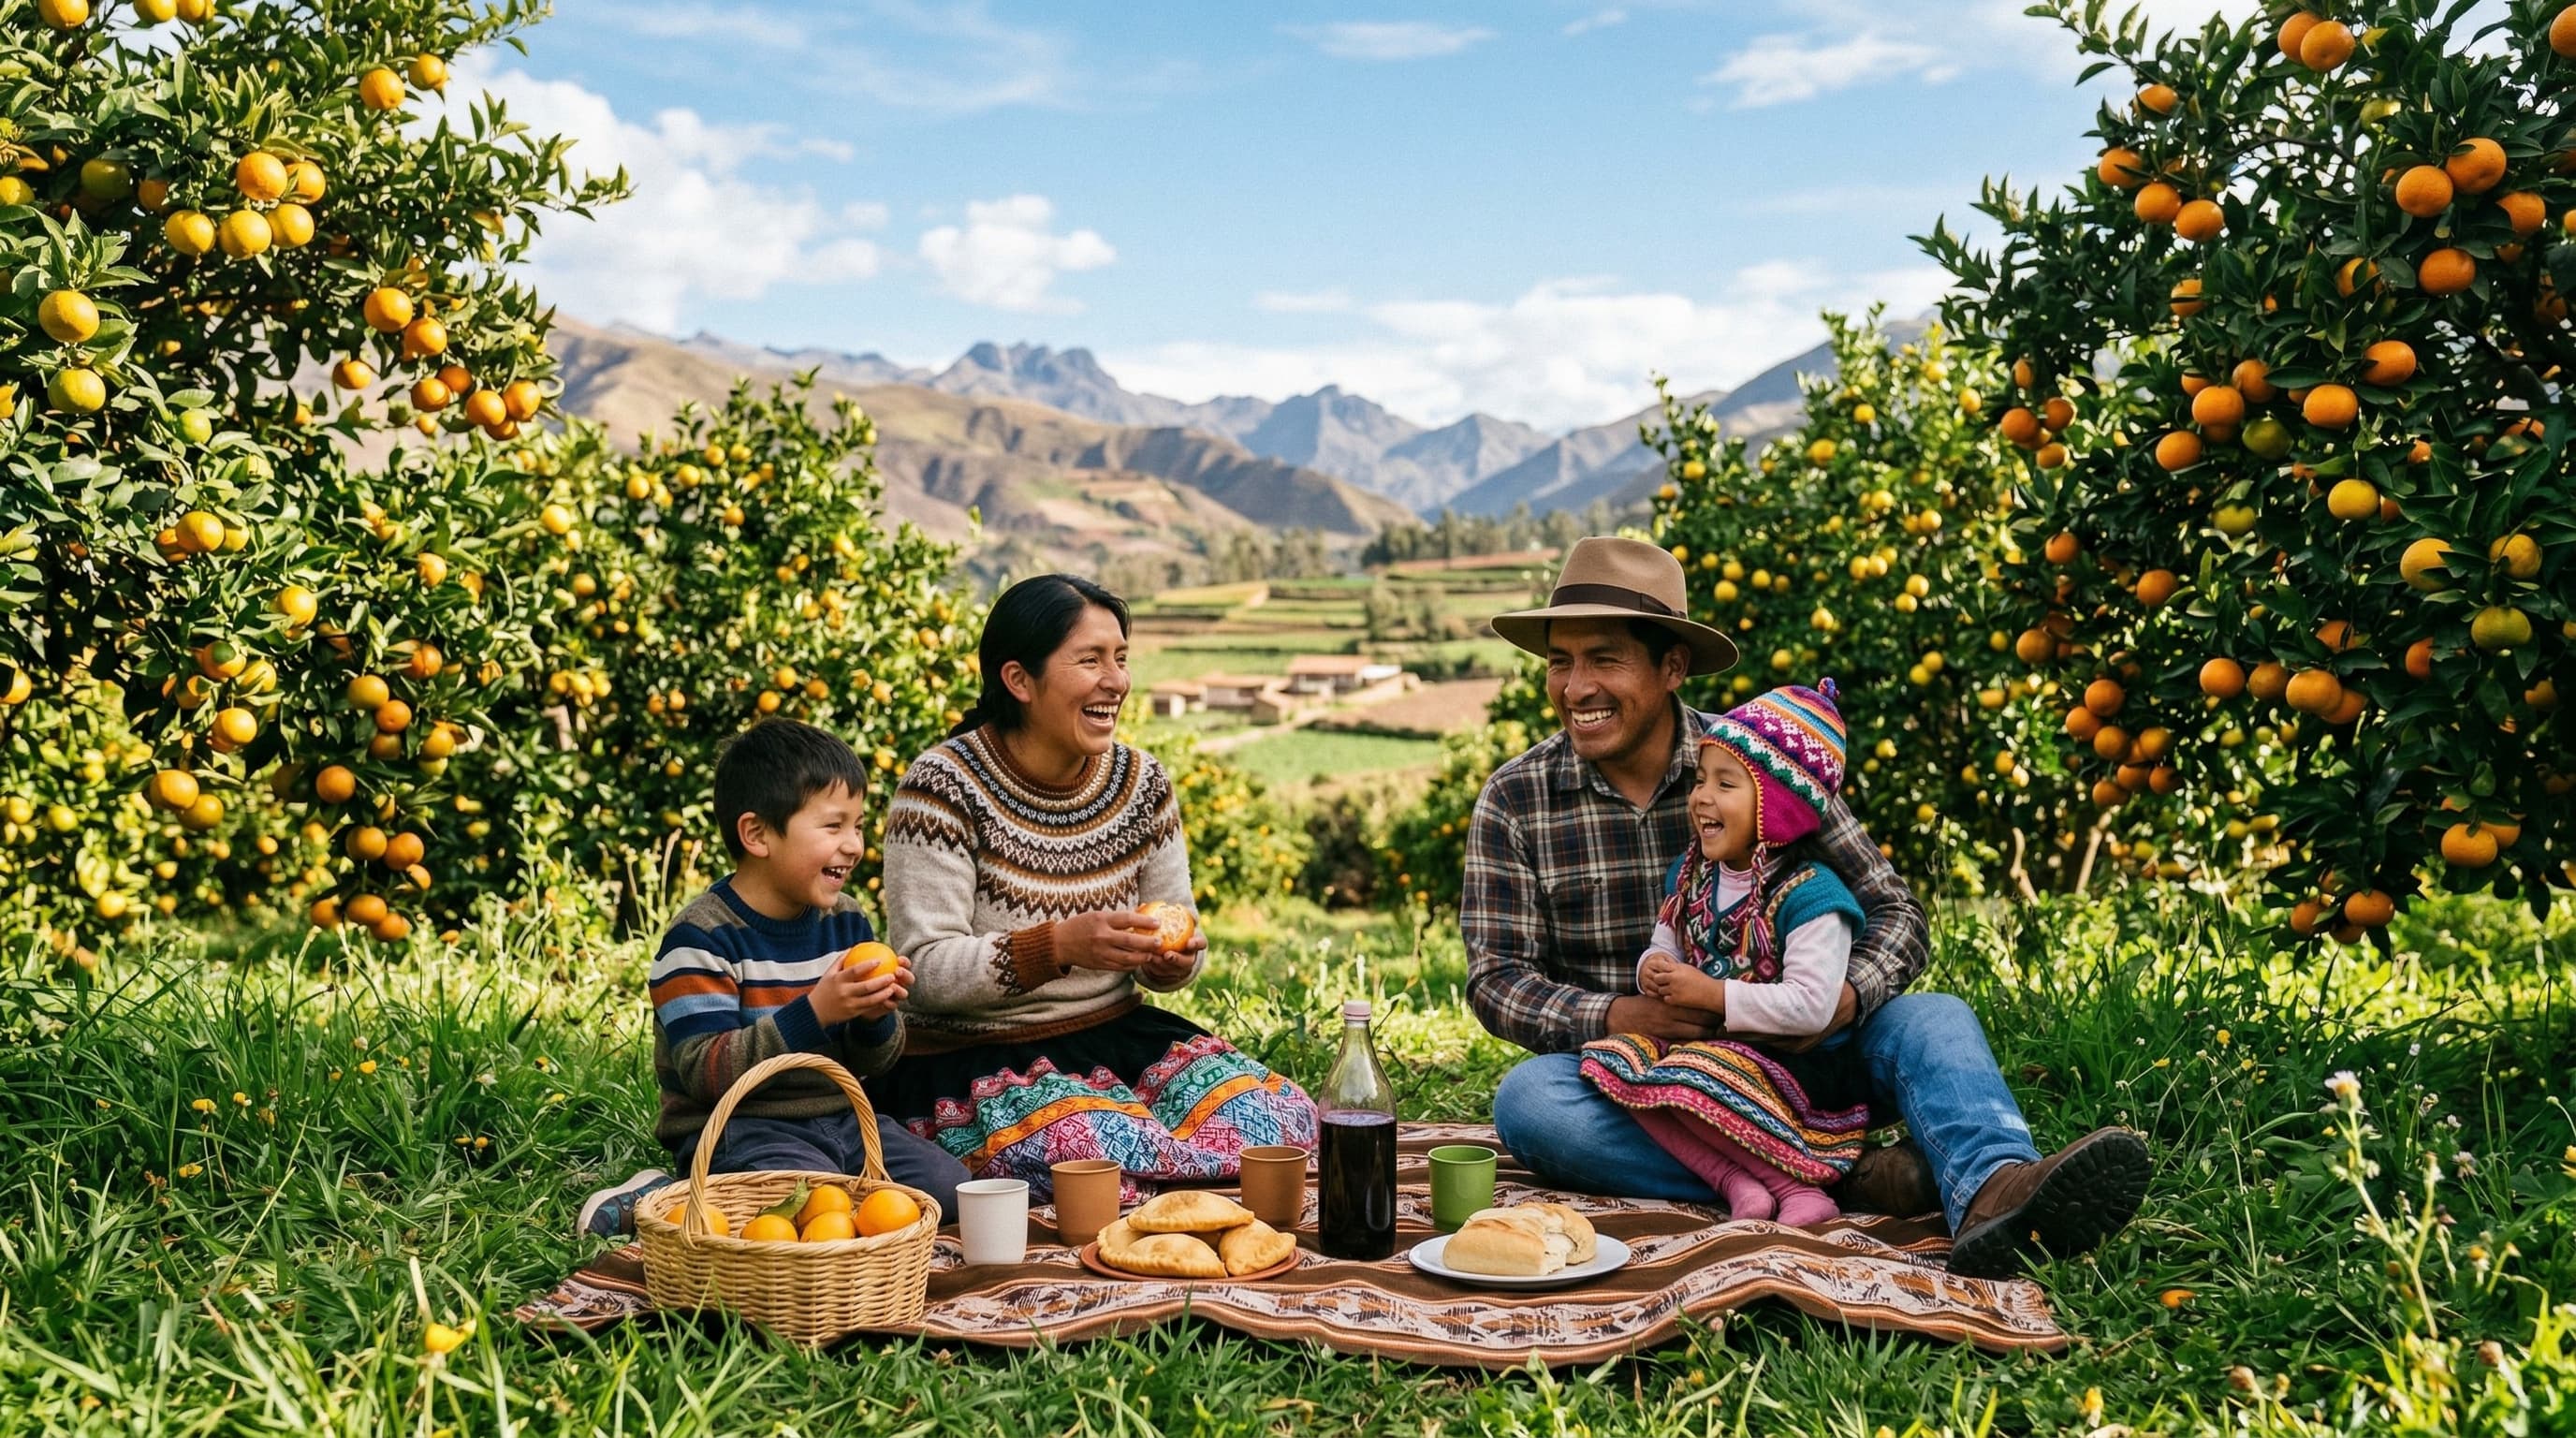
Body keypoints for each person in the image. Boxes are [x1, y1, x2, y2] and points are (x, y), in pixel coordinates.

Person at [1468, 536, 2148, 1278]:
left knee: (1934, 1017)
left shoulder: (1762, 767)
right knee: (1531, 1102)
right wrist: (1618, 1018)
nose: (1575, 687)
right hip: (1661, 1085)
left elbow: (1896, 914)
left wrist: (1842, 1001)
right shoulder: (1516, 798)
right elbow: (1498, 979)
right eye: (1559, 662)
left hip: (1804, 1059)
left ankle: (1997, 1190)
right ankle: (1846, 1180)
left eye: (1603, 658)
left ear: (1672, 667)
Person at [875, 573, 1316, 1201]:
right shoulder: (943, 787)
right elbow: (926, 968)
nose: (1116, 681)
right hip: (975, 1057)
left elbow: (1180, 927)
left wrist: (1172, 961)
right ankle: (1152, 1180)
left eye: (1121, 658)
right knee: (1091, 1147)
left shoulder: (1141, 782)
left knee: (1280, 1120)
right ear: (1019, 680)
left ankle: (1150, 1180)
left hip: (1114, 1036)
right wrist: (1058, 945)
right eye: (1090, 661)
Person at [578, 719, 970, 1238]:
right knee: (813, 1209)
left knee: (948, 1190)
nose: (853, 844)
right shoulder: (701, 939)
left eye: (857, 825)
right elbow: (706, 1072)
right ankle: (663, 1196)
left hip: (844, 1122)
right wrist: (818, 1012)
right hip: (740, 1128)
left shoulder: (847, 921)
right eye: (833, 826)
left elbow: (875, 1060)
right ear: (757, 834)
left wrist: (874, 1018)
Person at [1577, 681, 1868, 1227]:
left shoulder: (1813, 896)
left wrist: (1710, 995)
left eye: (1725, 784)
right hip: (1714, 1056)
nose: (1701, 797)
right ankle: (1736, 1182)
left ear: (1777, 807)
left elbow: (1811, 1006)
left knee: (1685, 1072)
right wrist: (1653, 971)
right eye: (1700, 780)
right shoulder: (1692, 875)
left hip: (1797, 1067)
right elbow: (1663, 944)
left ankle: (1799, 1187)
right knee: (1617, 1066)